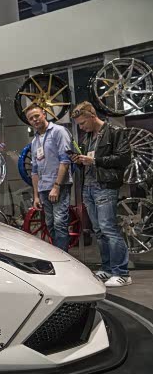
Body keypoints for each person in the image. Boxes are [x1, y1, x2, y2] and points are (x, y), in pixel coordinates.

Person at [70, 101, 131, 287]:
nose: (81, 127)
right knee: (99, 230)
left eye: (83, 123)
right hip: (88, 187)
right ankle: (107, 268)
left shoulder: (114, 132)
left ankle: (122, 273)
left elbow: (123, 158)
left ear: (92, 116)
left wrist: (95, 161)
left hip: (105, 186)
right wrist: (79, 160)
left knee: (108, 229)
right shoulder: (88, 137)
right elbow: (89, 161)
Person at [27, 105, 73, 252]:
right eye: (31, 118)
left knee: (60, 223)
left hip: (59, 186)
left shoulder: (59, 131)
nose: (34, 120)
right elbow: (34, 170)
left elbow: (65, 160)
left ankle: (64, 258)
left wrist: (56, 186)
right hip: (43, 188)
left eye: (37, 116)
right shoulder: (34, 141)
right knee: (50, 224)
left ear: (44, 114)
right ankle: (59, 254)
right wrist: (36, 195)